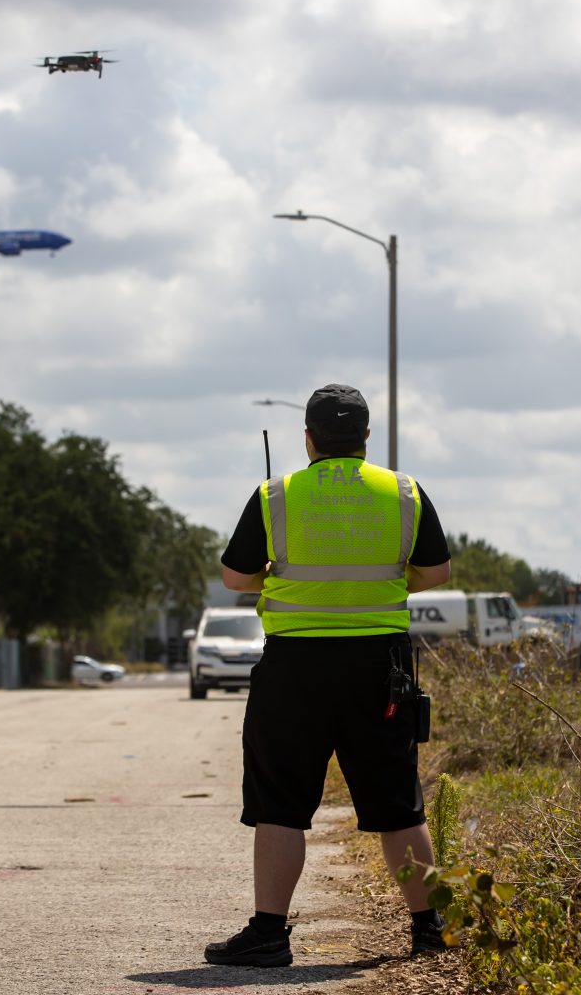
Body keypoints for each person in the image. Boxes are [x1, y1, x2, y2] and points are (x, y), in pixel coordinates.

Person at [205, 383, 453, 968]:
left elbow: (235, 580)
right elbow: (437, 571)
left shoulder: (277, 495)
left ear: (309, 438)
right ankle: (428, 929)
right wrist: (385, 583)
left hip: (295, 668)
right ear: (366, 438)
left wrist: (284, 579)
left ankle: (269, 935)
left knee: (280, 803)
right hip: (380, 667)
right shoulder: (404, 492)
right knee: (399, 801)